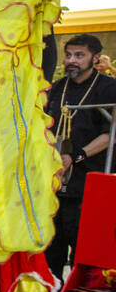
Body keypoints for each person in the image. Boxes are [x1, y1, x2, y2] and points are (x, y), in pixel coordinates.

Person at [45, 34, 116, 279]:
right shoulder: (59, 87)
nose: (71, 61)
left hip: (88, 179)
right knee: (51, 241)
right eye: (68, 55)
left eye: (79, 55)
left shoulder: (108, 88)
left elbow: (111, 134)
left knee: (81, 242)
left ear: (95, 58)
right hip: (54, 179)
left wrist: (76, 156)